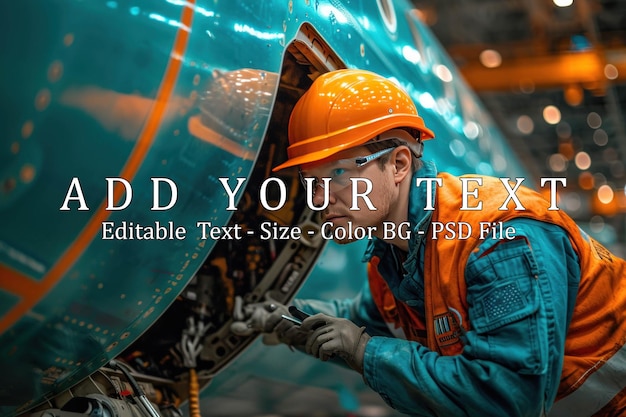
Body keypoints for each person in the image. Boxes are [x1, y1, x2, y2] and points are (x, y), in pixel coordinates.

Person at [230, 69, 626, 416]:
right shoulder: (393, 255)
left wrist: (363, 350)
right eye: (311, 182)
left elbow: (508, 398)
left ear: (399, 164)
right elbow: (363, 318)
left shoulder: (498, 239)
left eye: (336, 174)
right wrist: (285, 318)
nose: (319, 199)